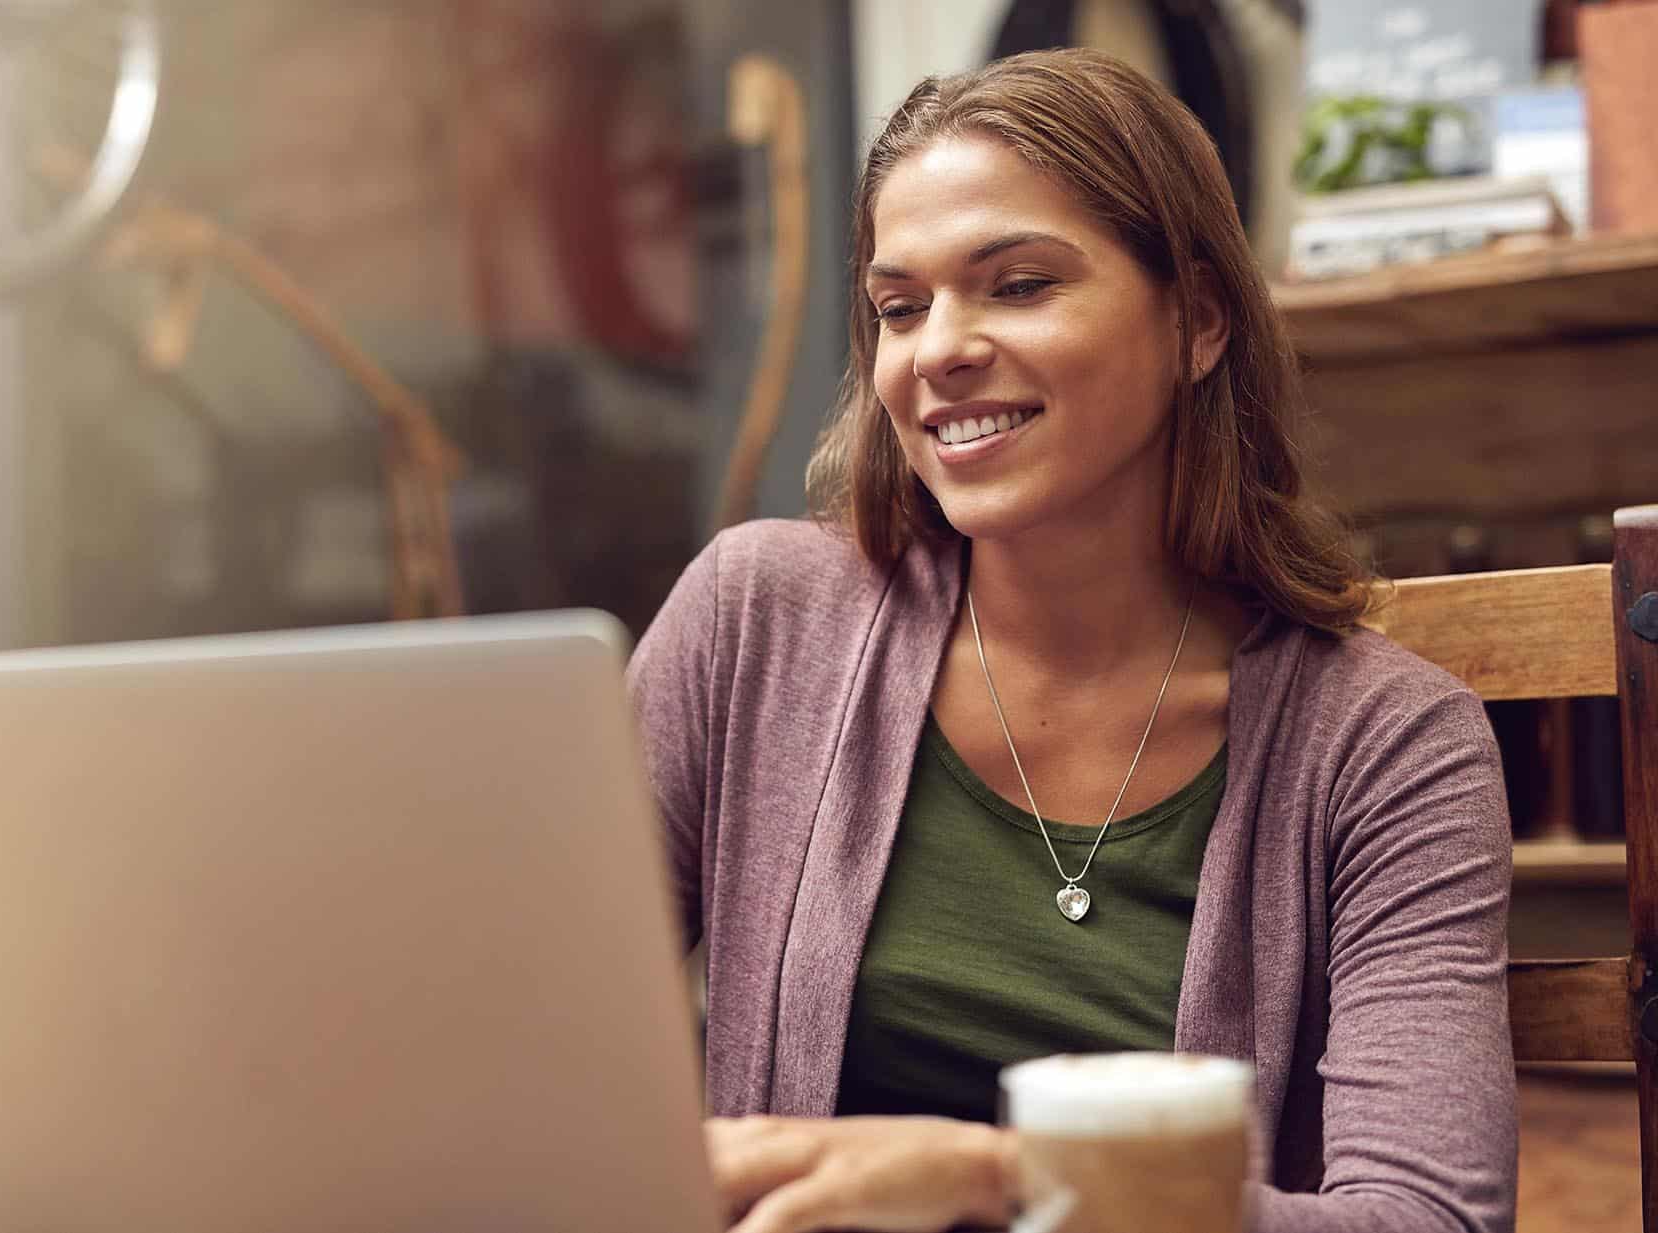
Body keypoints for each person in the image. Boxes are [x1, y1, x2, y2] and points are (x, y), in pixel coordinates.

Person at [628, 49, 1515, 1233]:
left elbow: (1428, 1221)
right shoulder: (755, 622)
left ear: (1196, 321)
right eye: (897, 307)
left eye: (1018, 285)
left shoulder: (1384, 746)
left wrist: (1000, 1181)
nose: (936, 348)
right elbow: (529, 1034)